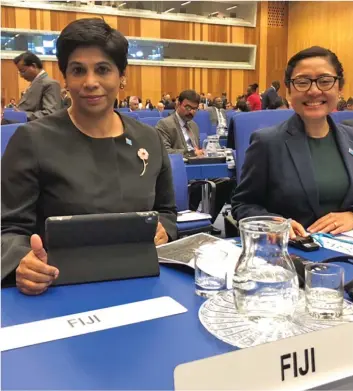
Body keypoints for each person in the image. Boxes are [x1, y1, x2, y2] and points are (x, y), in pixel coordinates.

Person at [1, 18, 177, 294]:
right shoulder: (32, 140)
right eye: (78, 70)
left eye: (103, 70)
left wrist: (164, 228)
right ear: (66, 79)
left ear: (121, 77)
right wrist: (21, 261)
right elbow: (8, 228)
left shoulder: (148, 139)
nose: (90, 82)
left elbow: (167, 211)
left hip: (142, 285)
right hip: (58, 289)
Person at [232, 46, 353, 238]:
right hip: (292, 255)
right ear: (288, 92)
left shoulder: (351, 138)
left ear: (340, 88)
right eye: (302, 82)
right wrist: (271, 224)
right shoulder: (267, 143)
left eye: (325, 81)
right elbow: (243, 205)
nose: (314, 91)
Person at [156, 89, 233, 230]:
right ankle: (187, 223)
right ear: (178, 104)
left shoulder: (194, 126)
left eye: (195, 109)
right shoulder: (165, 124)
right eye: (187, 107)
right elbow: (165, 152)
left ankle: (208, 220)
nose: (191, 112)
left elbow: (198, 152)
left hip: (198, 169)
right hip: (179, 173)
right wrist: (191, 153)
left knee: (227, 182)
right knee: (197, 186)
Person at [13, 51, 62, 121]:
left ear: (33, 66)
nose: (21, 75)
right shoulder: (35, 83)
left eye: (23, 71)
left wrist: (23, 114)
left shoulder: (50, 84)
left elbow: (50, 113)